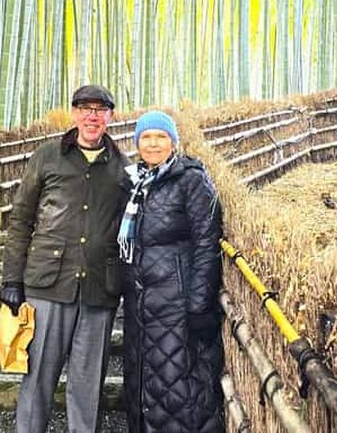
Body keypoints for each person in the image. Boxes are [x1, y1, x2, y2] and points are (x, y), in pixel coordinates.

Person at [0, 84, 128, 433]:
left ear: (110, 117)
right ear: (74, 113)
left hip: (99, 289)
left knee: (88, 384)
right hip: (47, 284)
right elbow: (21, 218)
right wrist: (11, 279)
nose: (92, 116)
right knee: (38, 376)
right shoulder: (47, 156)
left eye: (100, 110)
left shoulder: (122, 167)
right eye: (85, 108)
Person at [118, 110, 225, 433]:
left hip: (176, 306)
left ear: (173, 142)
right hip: (140, 306)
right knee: (144, 387)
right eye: (146, 137)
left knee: (181, 389)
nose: (153, 144)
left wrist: (199, 305)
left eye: (161, 137)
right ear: (137, 143)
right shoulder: (133, 183)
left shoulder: (191, 179)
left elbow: (207, 242)